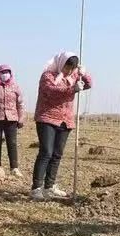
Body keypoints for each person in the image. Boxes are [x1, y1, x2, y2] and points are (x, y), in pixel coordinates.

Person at [31, 51, 92, 201]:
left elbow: (89, 84)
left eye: (72, 68)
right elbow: (52, 91)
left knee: (57, 154)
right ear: (60, 63)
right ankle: (36, 188)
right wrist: (73, 89)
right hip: (47, 118)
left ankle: (49, 186)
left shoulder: (73, 78)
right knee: (46, 152)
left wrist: (84, 74)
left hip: (66, 121)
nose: (69, 71)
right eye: (67, 67)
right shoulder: (48, 76)